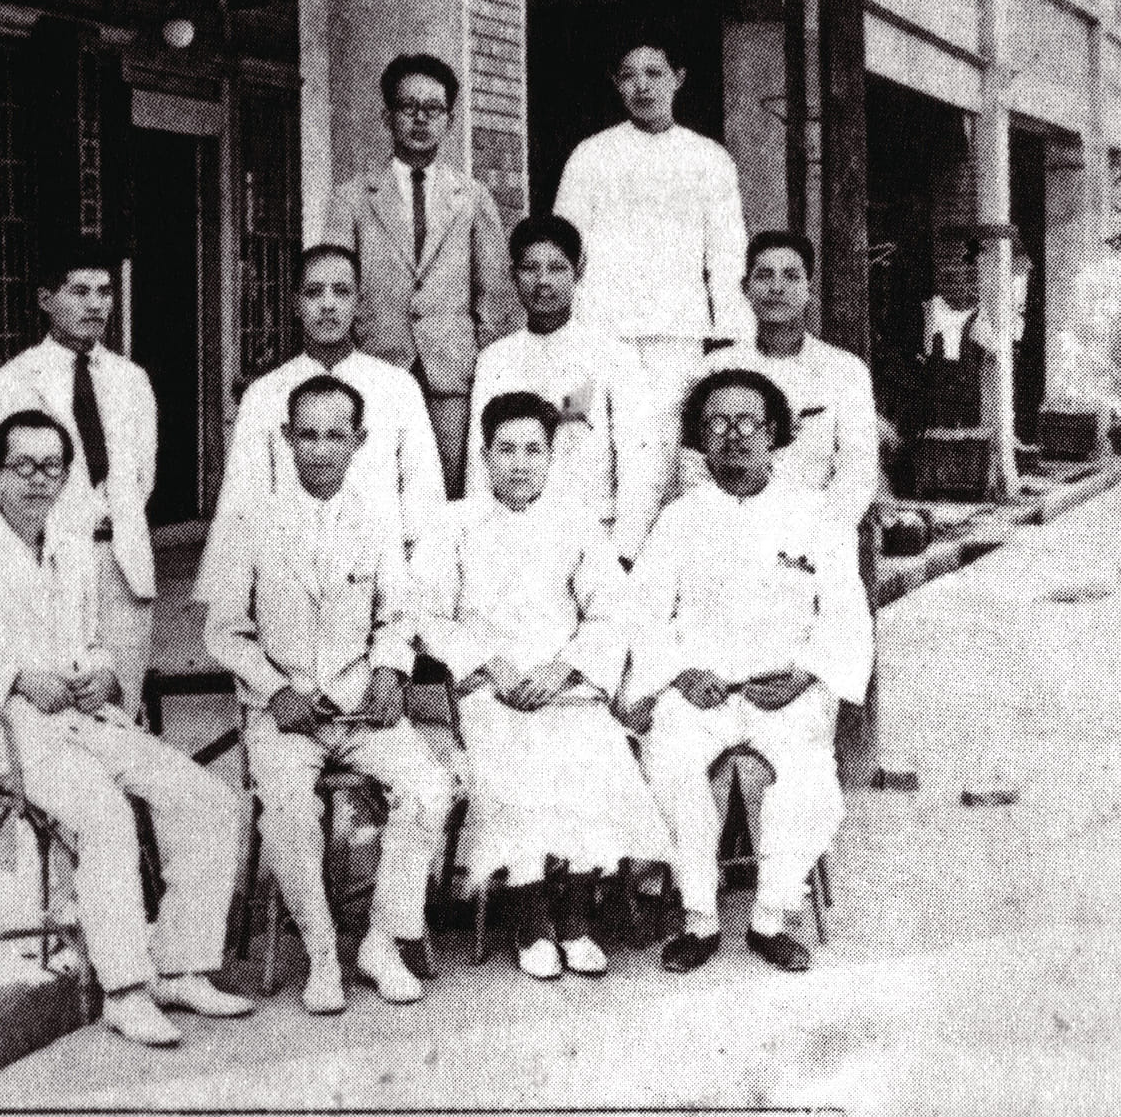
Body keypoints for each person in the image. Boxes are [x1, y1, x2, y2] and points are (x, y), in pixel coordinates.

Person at [0, 408, 252, 1046]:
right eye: (24, 466)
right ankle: (125, 988)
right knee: (105, 816)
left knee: (205, 798)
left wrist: (101, 674)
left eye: (52, 467)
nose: (38, 480)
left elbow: (92, 641)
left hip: (89, 718)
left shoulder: (73, 552)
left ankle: (180, 966)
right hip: (17, 737)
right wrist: (15, 677)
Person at [200, 375, 454, 1015]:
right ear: (285, 437)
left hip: (363, 709)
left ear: (358, 441)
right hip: (286, 717)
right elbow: (223, 632)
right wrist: (275, 688)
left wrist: (391, 672)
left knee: (429, 787)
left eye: (335, 435)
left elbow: (399, 615)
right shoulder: (251, 521)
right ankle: (318, 951)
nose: (319, 449)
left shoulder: (377, 519)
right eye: (306, 434)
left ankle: (380, 940)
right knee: (287, 806)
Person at [623, 370, 873, 975]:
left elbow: (846, 615)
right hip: (699, 689)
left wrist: (804, 675)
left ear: (775, 434)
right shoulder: (679, 519)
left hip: (788, 690)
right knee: (671, 767)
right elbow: (644, 614)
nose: (734, 435)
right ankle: (700, 918)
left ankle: (771, 917)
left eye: (749, 422)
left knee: (804, 783)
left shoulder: (815, 516)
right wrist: (681, 674)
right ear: (699, 438)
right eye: (718, 423)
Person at [416, 391, 671, 982]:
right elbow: (428, 615)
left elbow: (609, 612)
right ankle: (531, 923)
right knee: (514, 764)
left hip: (565, 686)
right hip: (490, 690)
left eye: (534, 449)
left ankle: (578, 920)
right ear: (484, 455)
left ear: (552, 455)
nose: (520, 462)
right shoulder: (453, 525)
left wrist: (566, 669)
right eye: (506, 449)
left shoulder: (576, 522)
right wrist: (489, 665)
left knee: (595, 753)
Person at [554, 26, 752, 532]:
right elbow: (565, 247)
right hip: (598, 333)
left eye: (654, 73)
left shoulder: (710, 159)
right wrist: (566, 331)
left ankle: (655, 571)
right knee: (584, 441)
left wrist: (733, 339)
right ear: (615, 84)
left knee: (664, 453)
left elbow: (727, 258)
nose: (642, 86)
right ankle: (592, 565)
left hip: (675, 338)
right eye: (628, 76)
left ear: (678, 79)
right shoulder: (590, 156)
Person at [0, 242, 158, 714]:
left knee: (118, 712)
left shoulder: (132, 381)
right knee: (53, 714)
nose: (95, 305)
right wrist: (19, 560)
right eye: (80, 291)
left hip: (123, 562)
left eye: (105, 292)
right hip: (48, 565)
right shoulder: (11, 383)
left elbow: (140, 478)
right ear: (46, 299)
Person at [196, 243, 444, 598]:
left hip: (378, 578)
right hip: (292, 581)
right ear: (296, 304)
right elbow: (242, 502)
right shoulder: (265, 394)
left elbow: (423, 495)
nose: (328, 304)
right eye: (314, 292)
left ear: (359, 303)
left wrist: (416, 583)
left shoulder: (398, 387)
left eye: (341, 292)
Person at [324, 53, 516, 498]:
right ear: (388, 116)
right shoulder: (352, 197)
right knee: (375, 488)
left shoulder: (471, 197)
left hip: (450, 377)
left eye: (434, 109)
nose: (421, 119)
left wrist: (486, 375)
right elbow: (335, 284)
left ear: (449, 119)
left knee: (448, 493)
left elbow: (493, 298)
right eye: (409, 107)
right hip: (377, 366)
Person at [466, 214, 649, 568]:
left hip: (592, 539)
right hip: (509, 540)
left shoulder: (613, 356)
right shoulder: (495, 358)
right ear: (512, 274)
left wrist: (623, 551)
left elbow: (639, 462)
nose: (543, 281)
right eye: (530, 268)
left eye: (557, 268)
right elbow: (480, 459)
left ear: (578, 272)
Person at [682, 232, 879, 531]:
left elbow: (858, 472)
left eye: (791, 276)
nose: (777, 287)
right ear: (745, 288)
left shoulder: (845, 372)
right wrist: (725, 527)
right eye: (764, 275)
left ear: (809, 288)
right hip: (729, 534)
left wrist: (817, 536)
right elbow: (693, 461)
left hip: (812, 537)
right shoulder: (714, 368)